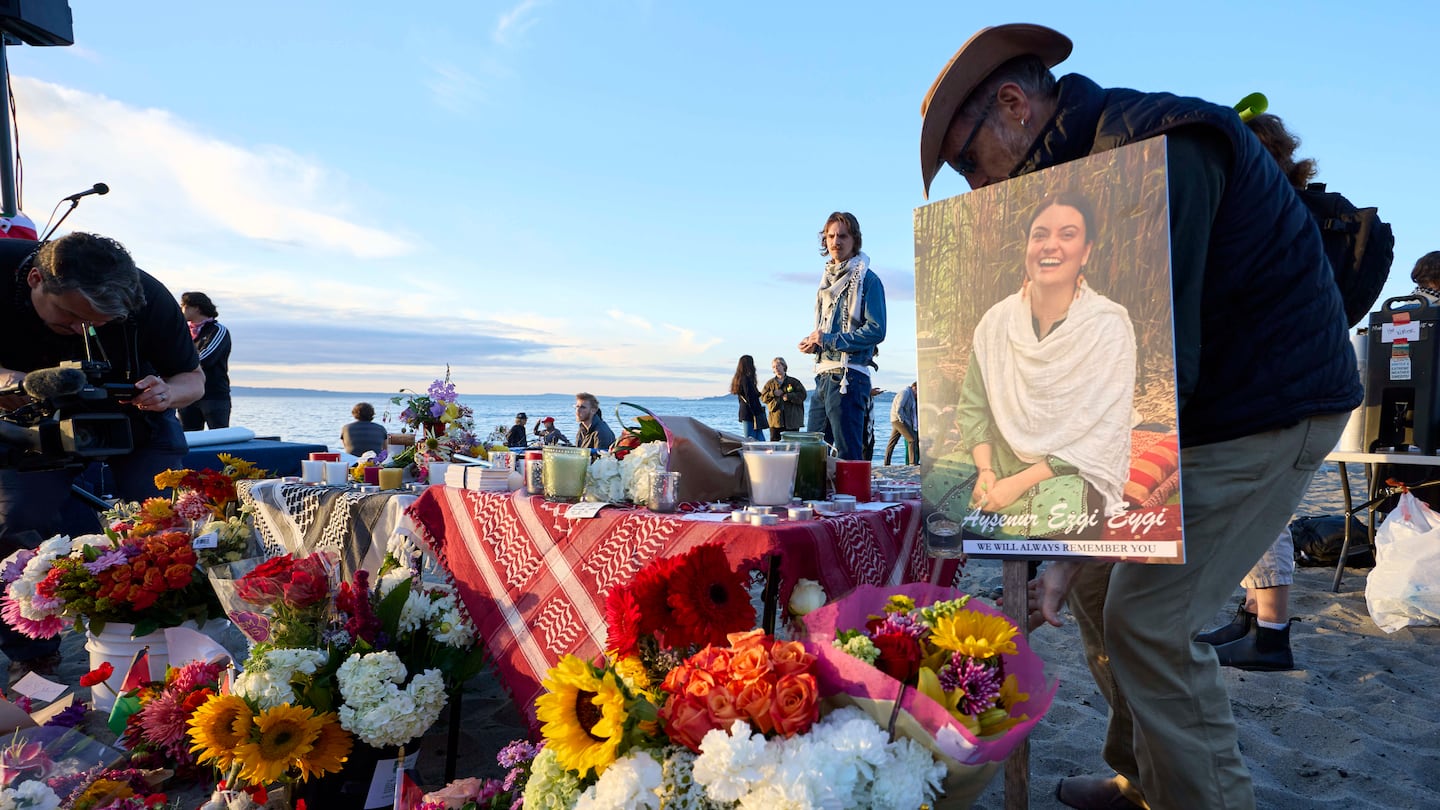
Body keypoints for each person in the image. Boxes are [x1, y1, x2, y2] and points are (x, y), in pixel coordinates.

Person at [918, 24, 1359, 809]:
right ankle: (1144, 778)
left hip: (1264, 408)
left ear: (1012, 105)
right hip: (1203, 404)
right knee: (1096, 593)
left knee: (1150, 619)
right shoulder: (1078, 181)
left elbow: (1158, 379)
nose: (975, 190)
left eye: (966, 163)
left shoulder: (1158, 149)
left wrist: (1068, 547)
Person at [0, 232, 203, 681]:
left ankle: (165, 635)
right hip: (32, 421)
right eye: (71, 316)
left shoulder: (147, 296)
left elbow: (194, 378)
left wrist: (169, 392)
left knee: (166, 523)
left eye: (100, 323)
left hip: (138, 418)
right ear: (36, 279)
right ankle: (33, 651)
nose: (82, 331)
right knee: (15, 525)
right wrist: (15, 382)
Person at [1195, 113, 1324, 672]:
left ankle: (1271, 636)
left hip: (1269, 396)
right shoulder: (1290, 214)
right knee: (1256, 516)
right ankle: (1253, 619)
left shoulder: (1266, 218)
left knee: (1256, 518)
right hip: (1286, 389)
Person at [931, 192, 1135, 538]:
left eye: (1067, 235)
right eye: (1040, 235)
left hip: (1068, 468)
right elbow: (973, 407)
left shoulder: (1107, 326)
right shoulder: (996, 323)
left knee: (1068, 510)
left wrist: (1017, 485)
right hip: (999, 458)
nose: (1050, 246)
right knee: (935, 485)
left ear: (1086, 251)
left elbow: (1101, 432)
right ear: (1027, 247)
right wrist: (986, 471)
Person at [798, 212, 886, 460]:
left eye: (843, 236)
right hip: (823, 377)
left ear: (854, 239)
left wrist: (829, 339)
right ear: (824, 241)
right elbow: (829, 329)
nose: (836, 241)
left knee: (848, 456)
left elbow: (877, 330)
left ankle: (852, 499)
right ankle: (817, 500)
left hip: (850, 378)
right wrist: (814, 343)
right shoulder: (825, 283)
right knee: (812, 454)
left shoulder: (868, 280)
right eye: (831, 235)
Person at [177, 291, 232, 430]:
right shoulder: (183, 332)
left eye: (184, 305)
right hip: (187, 395)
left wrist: (180, 364)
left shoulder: (218, 330)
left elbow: (207, 358)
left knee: (220, 438)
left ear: (196, 308)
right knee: (188, 439)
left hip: (213, 396)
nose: (181, 309)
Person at [759, 357, 807, 441]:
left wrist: (789, 396)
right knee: (775, 445)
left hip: (792, 421)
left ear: (784, 366)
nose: (776, 368)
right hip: (775, 421)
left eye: (778, 365)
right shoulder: (770, 384)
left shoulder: (794, 382)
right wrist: (773, 393)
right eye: (774, 367)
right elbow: (763, 398)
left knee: (792, 445)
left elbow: (803, 395)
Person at [729, 355, 767, 441]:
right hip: (751, 412)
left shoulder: (739, 379)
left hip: (745, 412)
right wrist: (757, 412)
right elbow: (750, 398)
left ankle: (757, 453)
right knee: (754, 439)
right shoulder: (747, 379)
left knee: (753, 438)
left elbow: (744, 398)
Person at [884, 381, 920, 465]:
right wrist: (903, 420)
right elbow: (899, 407)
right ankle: (912, 462)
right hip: (899, 420)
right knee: (912, 439)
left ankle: (886, 463)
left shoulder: (910, 396)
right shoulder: (905, 393)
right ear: (914, 388)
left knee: (892, 442)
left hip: (896, 420)